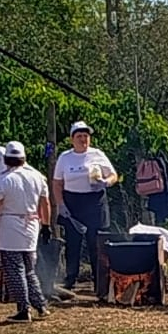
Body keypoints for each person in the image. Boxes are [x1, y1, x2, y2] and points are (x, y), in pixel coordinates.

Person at [0, 141, 51, 323]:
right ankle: (40, 305)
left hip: (11, 224)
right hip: (32, 224)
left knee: (14, 269)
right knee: (29, 269)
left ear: (6, 159)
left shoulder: (3, 180)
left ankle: (23, 309)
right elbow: (45, 203)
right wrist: (46, 225)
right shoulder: (37, 176)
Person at [52, 121, 118, 292]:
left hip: (95, 202)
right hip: (73, 202)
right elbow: (57, 183)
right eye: (79, 136)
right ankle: (70, 279)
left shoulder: (97, 154)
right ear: (72, 139)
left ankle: (99, 282)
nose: (83, 139)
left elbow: (113, 175)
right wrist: (61, 204)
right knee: (72, 244)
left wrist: (106, 183)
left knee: (95, 243)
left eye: (86, 136)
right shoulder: (65, 157)